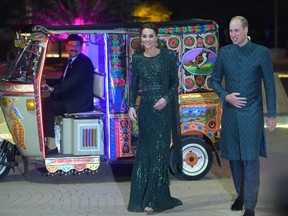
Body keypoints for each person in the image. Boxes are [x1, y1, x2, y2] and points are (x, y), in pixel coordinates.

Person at [211, 16, 277, 216]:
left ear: (246, 30)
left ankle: (250, 204)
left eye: (236, 30)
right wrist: (225, 96)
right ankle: (240, 195)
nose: (233, 35)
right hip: (230, 113)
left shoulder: (261, 53)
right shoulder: (224, 53)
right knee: (234, 158)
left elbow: (270, 85)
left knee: (250, 159)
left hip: (252, 113)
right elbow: (214, 81)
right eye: (230, 31)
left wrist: (271, 115)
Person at [127, 23, 183, 213]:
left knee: (159, 152)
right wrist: (130, 106)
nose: (148, 40)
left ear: (157, 37)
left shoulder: (167, 55)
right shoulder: (137, 59)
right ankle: (140, 198)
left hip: (162, 109)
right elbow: (134, 85)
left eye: (151, 36)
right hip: (145, 110)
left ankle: (153, 200)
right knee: (144, 153)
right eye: (144, 36)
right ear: (140, 39)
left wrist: (166, 99)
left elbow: (175, 82)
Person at [41, 34, 94, 154]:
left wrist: (53, 89)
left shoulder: (84, 62)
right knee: (43, 103)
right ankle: (47, 139)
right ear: (66, 46)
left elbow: (73, 81)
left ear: (81, 47)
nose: (73, 48)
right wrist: (46, 82)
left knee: (48, 107)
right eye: (71, 45)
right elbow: (63, 79)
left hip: (79, 102)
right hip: (70, 97)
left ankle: (52, 145)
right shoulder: (68, 61)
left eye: (76, 46)